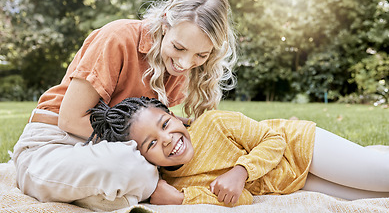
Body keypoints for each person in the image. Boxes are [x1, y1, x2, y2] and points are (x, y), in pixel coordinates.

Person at [12, 0, 237, 207]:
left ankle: (121, 192)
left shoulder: (178, 68)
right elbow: (69, 120)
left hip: (106, 151)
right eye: (179, 48)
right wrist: (146, 153)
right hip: (55, 144)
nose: (185, 64)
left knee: (142, 175)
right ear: (165, 23)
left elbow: (147, 127)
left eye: (201, 55)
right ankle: (140, 187)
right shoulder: (118, 37)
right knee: (132, 168)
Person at [87, 96, 389, 207]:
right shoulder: (176, 184)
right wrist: (182, 199)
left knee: (381, 175)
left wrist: (240, 171)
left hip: (300, 145)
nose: (167, 139)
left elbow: (273, 140)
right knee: (375, 197)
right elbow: (241, 197)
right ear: (142, 157)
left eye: (165, 123)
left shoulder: (214, 123)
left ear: (176, 116)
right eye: (151, 143)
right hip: (292, 181)